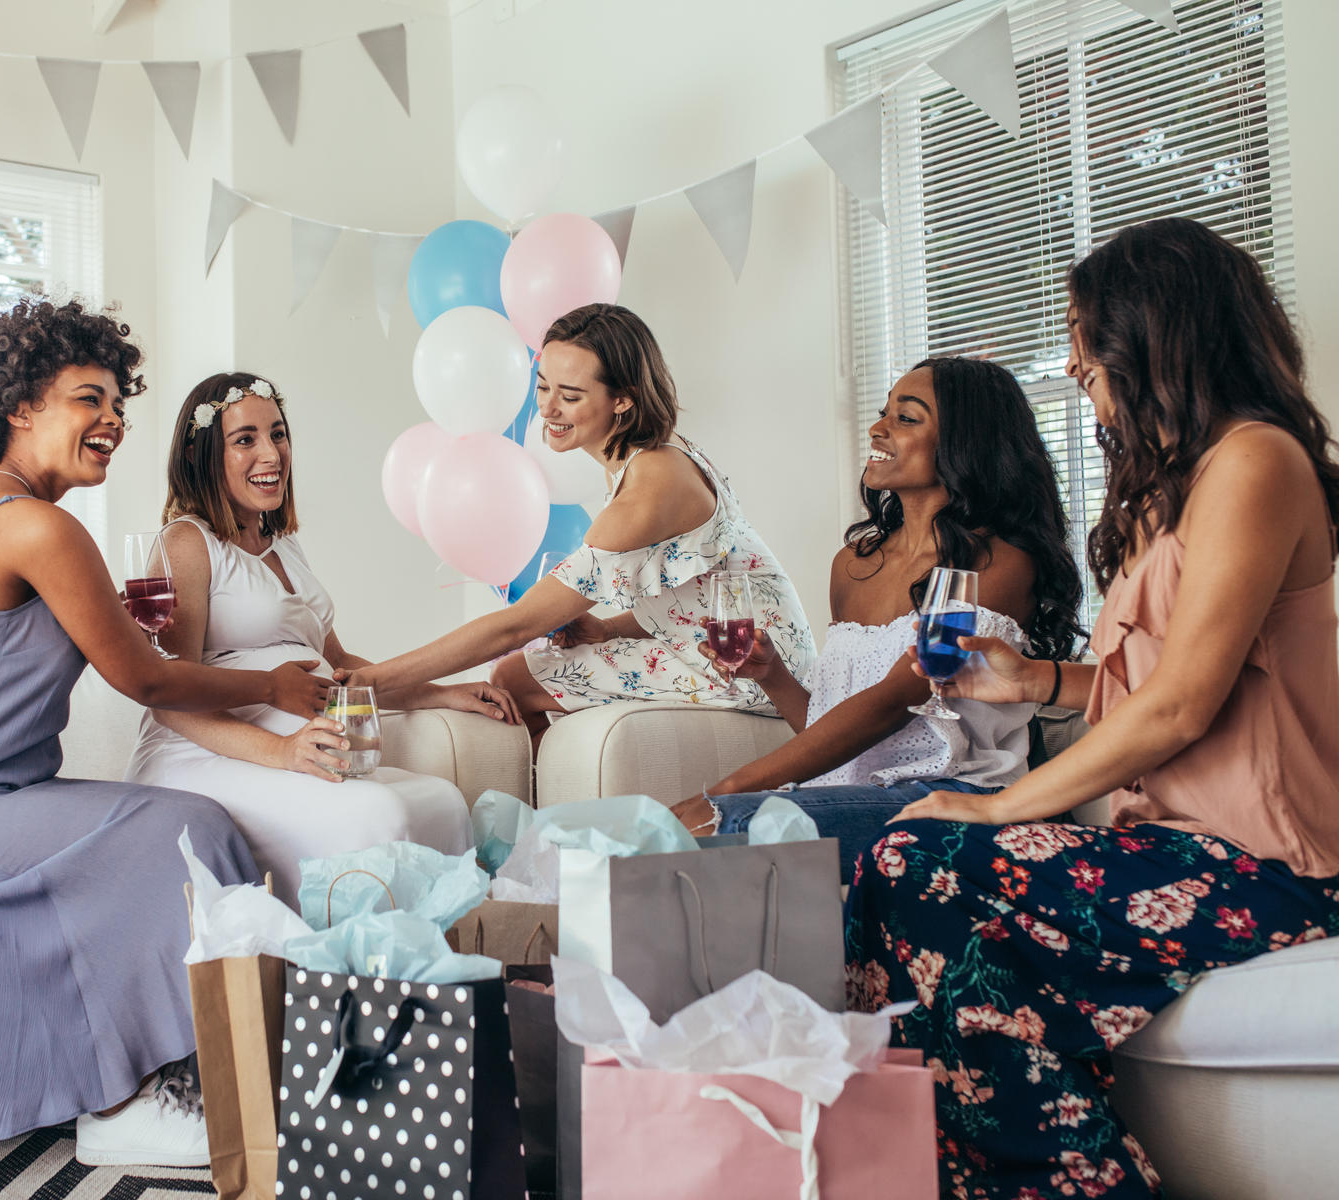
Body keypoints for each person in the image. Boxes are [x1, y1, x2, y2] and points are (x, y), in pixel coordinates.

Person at [848, 218, 1339, 1198]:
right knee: (896, 877)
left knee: (917, 862)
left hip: (1270, 868)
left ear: (1157, 334)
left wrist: (994, 807)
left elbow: (1182, 706)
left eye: (1085, 336)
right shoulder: (1177, 490)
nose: (1073, 363)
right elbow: (1152, 684)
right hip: (1169, 850)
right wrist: (1028, 682)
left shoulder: (1257, 462)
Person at [0, 300, 329, 1169]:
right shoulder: (35, 526)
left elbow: (128, 651)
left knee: (171, 824)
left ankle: (201, 1078)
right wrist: (273, 683)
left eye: (118, 406)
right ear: (20, 407)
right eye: (86, 400)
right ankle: (131, 1102)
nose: (111, 422)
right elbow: (144, 677)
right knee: (188, 827)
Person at [668, 356, 1085, 871]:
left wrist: (731, 788)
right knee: (692, 829)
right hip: (854, 790)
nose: (877, 427)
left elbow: (891, 705)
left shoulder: (995, 564)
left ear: (965, 442)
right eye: (884, 412)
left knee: (721, 824)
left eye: (906, 418)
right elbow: (837, 729)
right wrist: (774, 676)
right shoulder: (853, 565)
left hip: (954, 797)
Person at [341, 303, 814, 739]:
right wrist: (608, 631)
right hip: (735, 652)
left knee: (512, 674)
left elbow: (514, 627)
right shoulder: (655, 459)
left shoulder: (648, 489)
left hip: (757, 672)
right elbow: (693, 601)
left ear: (623, 400)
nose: (547, 409)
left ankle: (545, 815)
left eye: (569, 395)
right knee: (524, 669)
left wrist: (370, 681)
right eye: (543, 386)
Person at [124, 372, 514, 897]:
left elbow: (340, 668)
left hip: (299, 748)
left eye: (278, 434)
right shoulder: (188, 543)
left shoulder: (284, 545)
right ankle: (359, 969)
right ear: (204, 455)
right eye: (246, 440)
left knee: (441, 801)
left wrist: (442, 693)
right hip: (209, 756)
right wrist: (283, 750)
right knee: (376, 815)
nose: (272, 453)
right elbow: (171, 699)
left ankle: (439, 968)